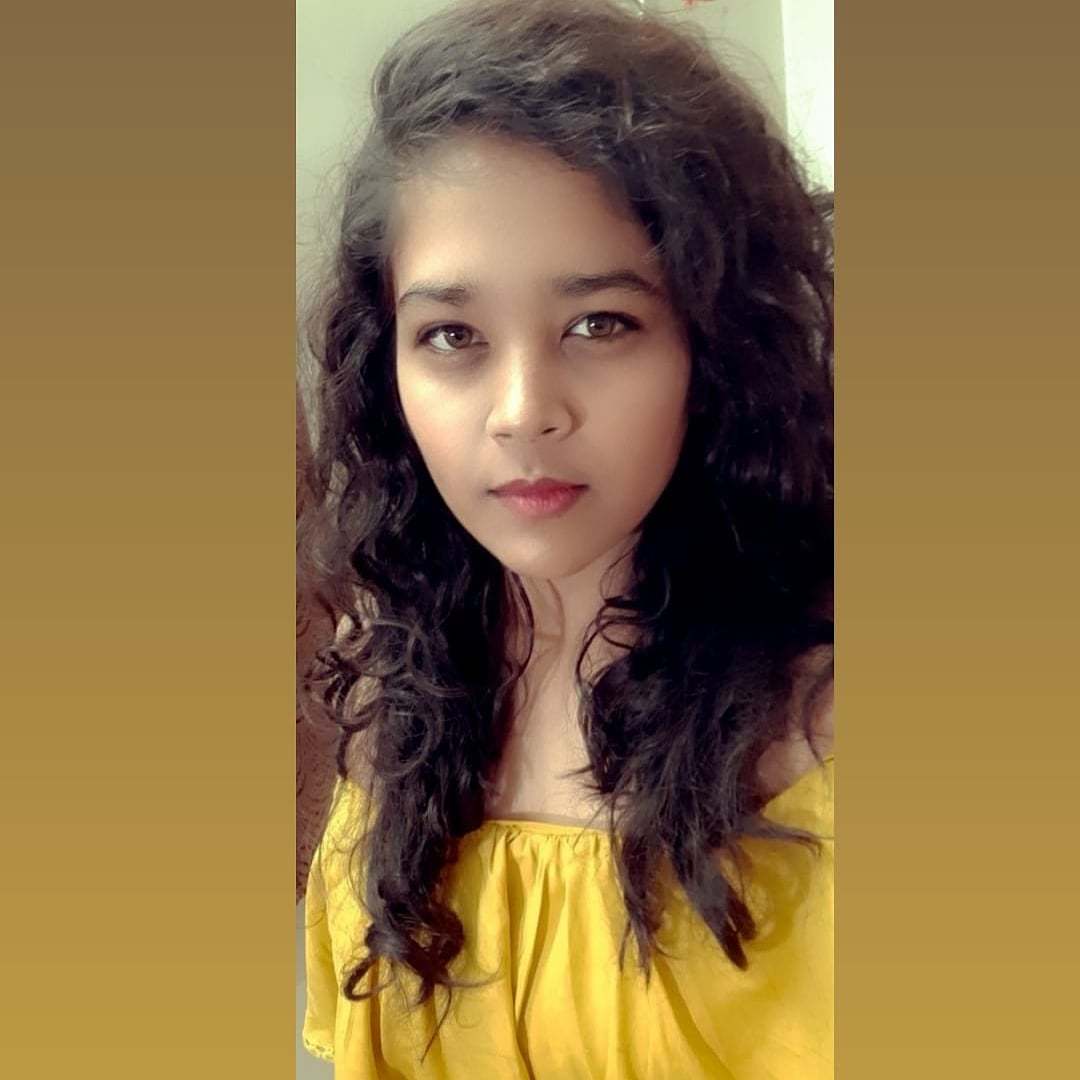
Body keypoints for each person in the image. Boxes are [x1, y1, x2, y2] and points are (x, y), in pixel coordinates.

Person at [297, 0, 834, 1075]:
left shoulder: (821, 722)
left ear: (715, 343)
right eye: (451, 334)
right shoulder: (388, 695)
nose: (522, 412)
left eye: (600, 324)